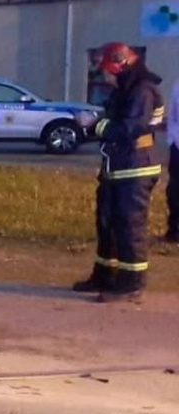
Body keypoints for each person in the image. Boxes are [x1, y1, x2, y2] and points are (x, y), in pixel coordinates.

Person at [73, 43, 165, 303]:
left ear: (119, 65)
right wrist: (93, 126)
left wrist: (95, 125)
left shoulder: (143, 91)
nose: (104, 77)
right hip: (117, 167)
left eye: (106, 71)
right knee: (107, 223)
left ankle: (130, 283)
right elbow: (112, 122)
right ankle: (105, 275)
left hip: (136, 168)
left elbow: (128, 128)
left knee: (129, 225)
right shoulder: (125, 89)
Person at [166, 75, 179, 243]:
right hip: (177, 146)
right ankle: (175, 230)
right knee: (175, 190)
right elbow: (172, 114)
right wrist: (172, 139)